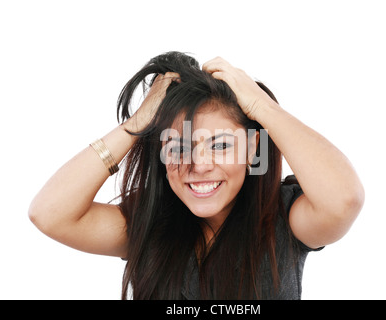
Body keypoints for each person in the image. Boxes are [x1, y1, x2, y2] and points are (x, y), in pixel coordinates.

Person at [29, 51, 365, 300]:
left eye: (220, 145)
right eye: (179, 146)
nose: (198, 165)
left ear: (252, 149)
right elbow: (49, 214)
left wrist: (262, 107)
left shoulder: (284, 218)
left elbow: (344, 199)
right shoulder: (149, 224)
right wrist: (136, 124)